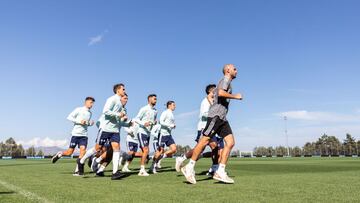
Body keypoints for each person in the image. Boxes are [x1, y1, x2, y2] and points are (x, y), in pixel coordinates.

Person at [181, 64, 243, 184]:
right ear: (228, 70)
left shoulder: (228, 81)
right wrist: (235, 96)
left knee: (230, 143)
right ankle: (189, 167)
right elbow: (220, 93)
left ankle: (220, 171)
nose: (236, 70)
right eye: (234, 69)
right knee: (204, 141)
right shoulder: (225, 80)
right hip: (215, 116)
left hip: (222, 118)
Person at [78, 84, 131, 180]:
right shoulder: (112, 99)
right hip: (105, 129)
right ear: (118, 90)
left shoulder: (122, 107)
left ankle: (115, 173)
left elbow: (118, 121)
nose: (124, 90)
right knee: (97, 148)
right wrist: (119, 114)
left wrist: (127, 123)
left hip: (115, 130)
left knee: (116, 148)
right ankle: (81, 160)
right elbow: (105, 111)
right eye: (123, 89)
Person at [175, 84, 221, 176]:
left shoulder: (213, 101)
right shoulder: (205, 101)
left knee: (214, 148)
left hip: (211, 127)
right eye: (215, 90)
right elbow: (204, 115)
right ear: (210, 91)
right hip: (204, 127)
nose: (217, 91)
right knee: (201, 148)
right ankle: (183, 160)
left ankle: (215, 169)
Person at [52, 97, 95, 176]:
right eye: (90, 102)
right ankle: (60, 154)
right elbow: (69, 117)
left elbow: (85, 123)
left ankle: (77, 170)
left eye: (92, 103)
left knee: (83, 151)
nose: (91, 104)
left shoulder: (90, 113)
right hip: (75, 134)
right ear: (86, 102)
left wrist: (90, 123)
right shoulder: (79, 109)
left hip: (84, 135)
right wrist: (79, 121)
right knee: (69, 152)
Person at [134, 94, 158, 176]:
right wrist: (144, 123)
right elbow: (136, 119)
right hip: (141, 132)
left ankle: (129, 156)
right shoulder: (144, 109)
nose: (156, 100)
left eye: (156, 99)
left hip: (148, 133)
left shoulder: (155, 111)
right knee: (146, 150)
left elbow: (153, 121)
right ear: (149, 99)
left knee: (145, 152)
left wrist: (154, 122)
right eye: (154, 99)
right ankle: (142, 170)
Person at [150, 101, 177, 174]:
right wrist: (170, 125)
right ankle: (152, 166)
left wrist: (172, 126)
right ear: (169, 105)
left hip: (169, 135)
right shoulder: (166, 112)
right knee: (160, 151)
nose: (175, 106)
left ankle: (161, 157)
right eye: (173, 105)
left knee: (174, 149)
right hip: (162, 134)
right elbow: (161, 121)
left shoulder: (172, 114)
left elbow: (169, 124)